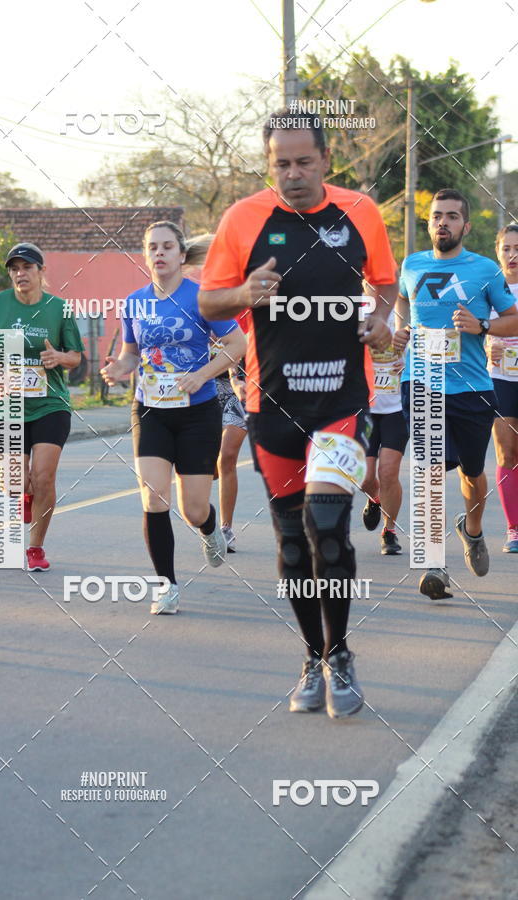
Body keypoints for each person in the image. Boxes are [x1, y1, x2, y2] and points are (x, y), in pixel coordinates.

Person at [198, 111, 398, 719]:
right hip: (273, 405)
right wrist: (243, 294)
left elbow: (384, 282)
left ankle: (341, 654)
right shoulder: (242, 220)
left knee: (326, 526)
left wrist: (380, 319)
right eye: (280, 164)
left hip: (342, 401)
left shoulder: (360, 212)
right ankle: (314, 656)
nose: (292, 174)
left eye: (304, 162)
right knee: (291, 546)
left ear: (325, 160)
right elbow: (208, 300)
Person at [101, 222, 246, 615]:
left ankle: (210, 528)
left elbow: (237, 343)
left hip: (198, 412)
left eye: (167, 247)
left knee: (193, 509)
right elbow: (132, 353)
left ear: (182, 255)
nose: (159, 253)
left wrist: (202, 374)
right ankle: (166, 587)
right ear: (145, 255)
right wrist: (118, 368)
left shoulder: (202, 298)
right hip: (150, 410)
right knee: (153, 497)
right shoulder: (134, 302)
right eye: (153, 247)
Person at [393, 190, 518, 600]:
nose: (442, 222)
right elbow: (402, 300)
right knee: (429, 471)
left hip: (472, 387)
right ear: (429, 223)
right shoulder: (412, 264)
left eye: (451, 216)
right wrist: (401, 329)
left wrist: (482, 326)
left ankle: (473, 529)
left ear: (466, 225)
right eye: (436, 216)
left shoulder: (484, 270)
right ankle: (434, 564)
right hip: (422, 381)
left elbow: (514, 318)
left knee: (471, 472)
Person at [0, 243, 84, 572]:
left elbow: (75, 356)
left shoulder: (59, 309)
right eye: (14, 269)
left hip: (50, 403)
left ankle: (35, 548)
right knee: (14, 482)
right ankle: (24, 494)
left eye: (27, 267)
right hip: (8, 405)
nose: (20, 273)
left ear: (41, 271)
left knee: (44, 477)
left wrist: (58, 357)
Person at [361, 308, 408, 555]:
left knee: (388, 472)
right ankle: (375, 498)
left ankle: (389, 531)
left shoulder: (405, 309)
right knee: (365, 476)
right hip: (365, 408)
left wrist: (410, 363)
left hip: (396, 408)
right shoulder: (354, 307)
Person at [487, 223, 518, 552]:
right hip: (500, 378)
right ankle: (514, 529)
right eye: (506, 248)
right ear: (497, 252)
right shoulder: (488, 288)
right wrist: (486, 345)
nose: (512, 255)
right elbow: (468, 330)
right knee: (507, 452)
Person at [211, 337, 248, 551]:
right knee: (209, 468)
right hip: (204, 392)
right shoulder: (192, 322)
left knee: (227, 457)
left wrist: (235, 375)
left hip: (238, 393)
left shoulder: (235, 324)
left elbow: (239, 350)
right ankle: (205, 519)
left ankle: (226, 528)